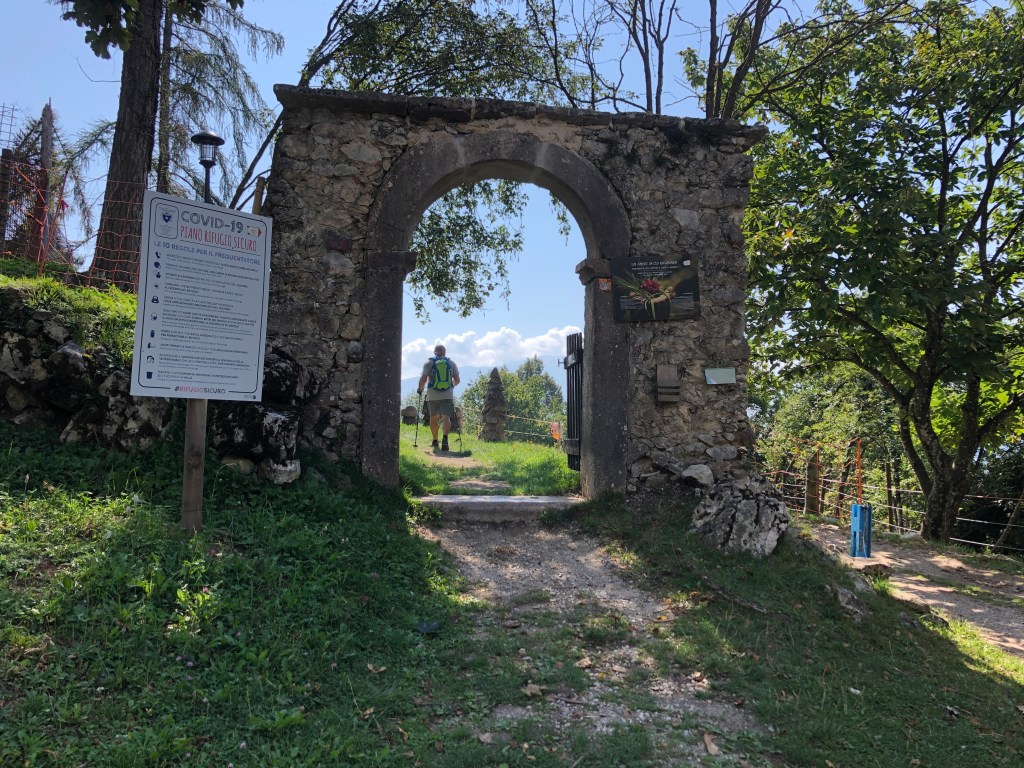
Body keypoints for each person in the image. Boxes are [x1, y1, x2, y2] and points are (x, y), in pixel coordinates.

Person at [417, 344, 461, 451]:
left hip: (432, 395)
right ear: (444, 352)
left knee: (434, 418)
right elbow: (457, 380)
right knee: (446, 418)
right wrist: (451, 386)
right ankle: (445, 439)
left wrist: (420, 389)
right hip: (447, 395)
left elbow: (423, 379)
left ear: (434, 352)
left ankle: (435, 440)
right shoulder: (451, 363)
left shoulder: (429, 363)